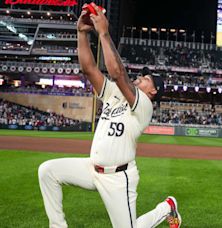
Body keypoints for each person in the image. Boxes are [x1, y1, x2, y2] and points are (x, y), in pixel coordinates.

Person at [38, 4, 182, 228]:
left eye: (147, 79)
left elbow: (117, 72)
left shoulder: (144, 104)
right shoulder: (115, 93)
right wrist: (82, 33)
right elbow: (89, 69)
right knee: (47, 171)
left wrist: (104, 33)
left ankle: (166, 207)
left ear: (153, 91)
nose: (141, 77)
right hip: (92, 168)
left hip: (118, 178)